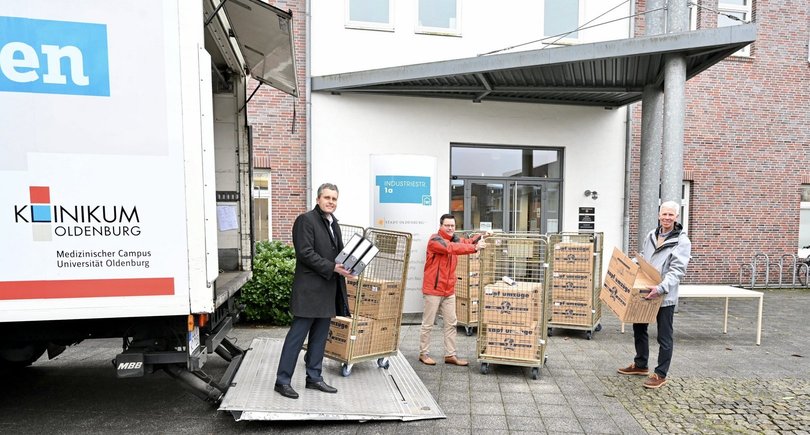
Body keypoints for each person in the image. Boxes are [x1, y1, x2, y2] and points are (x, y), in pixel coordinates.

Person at [274, 183, 353, 399]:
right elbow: (305, 253)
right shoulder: (305, 220)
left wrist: (348, 269)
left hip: (328, 290)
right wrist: (333, 267)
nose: (331, 202)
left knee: (319, 338)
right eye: (327, 197)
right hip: (309, 292)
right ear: (318, 199)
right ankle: (282, 381)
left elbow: (337, 255)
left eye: (334, 198)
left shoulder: (333, 223)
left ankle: (314, 378)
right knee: (296, 339)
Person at [618, 201, 692, 389]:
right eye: (664, 214)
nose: (667, 218)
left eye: (671, 215)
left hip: (663, 295)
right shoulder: (652, 234)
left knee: (664, 336)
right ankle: (641, 365)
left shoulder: (682, 241)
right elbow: (644, 256)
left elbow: (677, 270)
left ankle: (660, 374)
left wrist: (660, 288)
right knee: (639, 328)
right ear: (659, 215)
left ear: (676, 217)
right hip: (645, 290)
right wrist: (630, 263)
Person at [419, 214, 487, 367]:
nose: (450, 228)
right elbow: (451, 248)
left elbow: (467, 241)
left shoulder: (454, 239)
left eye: (452, 226)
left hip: (448, 290)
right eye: (447, 225)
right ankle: (423, 353)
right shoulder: (434, 240)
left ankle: (450, 355)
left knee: (451, 323)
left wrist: (481, 236)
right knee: (428, 324)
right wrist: (475, 248)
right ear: (441, 226)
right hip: (433, 289)